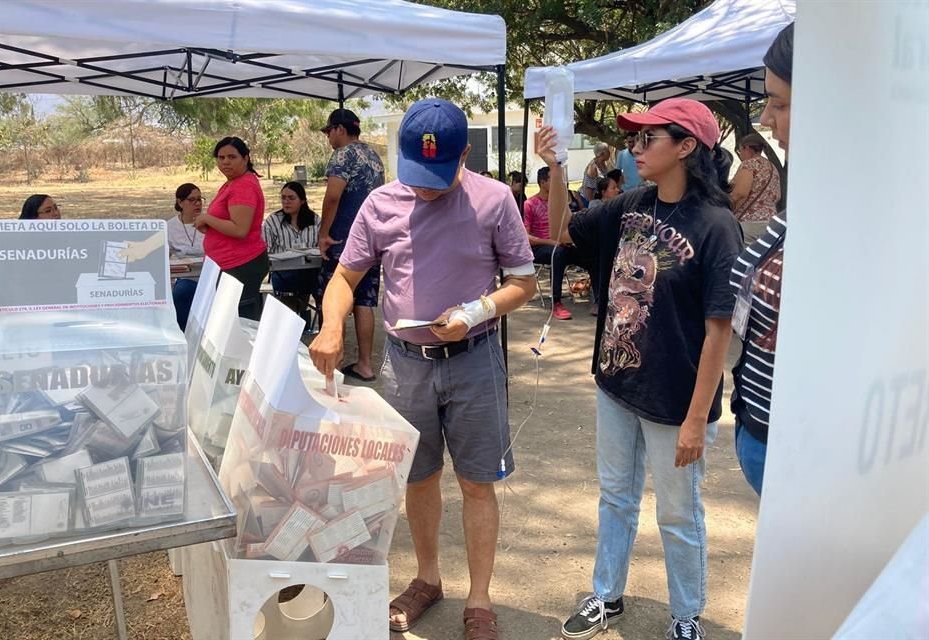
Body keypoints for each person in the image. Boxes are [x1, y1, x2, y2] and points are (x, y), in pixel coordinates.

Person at [309, 98, 535, 640]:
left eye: (437, 177)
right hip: (407, 366)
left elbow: (523, 283)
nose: (425, 189)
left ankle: (479, 599)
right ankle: (427, 578)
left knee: (478, 483)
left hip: (474, 361)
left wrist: (476, 311)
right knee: (418, 476)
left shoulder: (495, 200)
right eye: (416, 175)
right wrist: (331, 325)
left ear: (463, 156)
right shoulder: (382, 203)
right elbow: (344, 278)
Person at [539, 98, 742, 640]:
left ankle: (685, 615)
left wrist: (699, 418)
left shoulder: (717, 226)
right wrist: (556, 168)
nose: (635, 147)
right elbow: (562, 230)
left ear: (686, 147)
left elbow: (718, 330)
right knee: (616, 498)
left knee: (678, 514)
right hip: (615, 383)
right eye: (634, 138)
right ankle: (606, 595)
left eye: (648, 137)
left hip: (675, 399)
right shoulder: (630, 205)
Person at [730, 23, 794, 496]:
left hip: (794, 443)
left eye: (780, 103)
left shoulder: (751, 167)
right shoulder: (793, 182)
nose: (768, 119)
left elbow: (738, 199)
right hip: (759, 418)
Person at [317, 108, 385, 382]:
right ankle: (365, 364)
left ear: (340, 130)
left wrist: (323, 233)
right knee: (365, 300)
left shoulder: (343, 155)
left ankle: (334, 361)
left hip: (343, 239)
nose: (328, 138)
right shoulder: (373, 156)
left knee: (335, 295)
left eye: (329, 131)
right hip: (373, 238)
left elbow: (333, 197)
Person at [195, 136, 269, 321]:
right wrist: (212, 227)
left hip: (240, 265)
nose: (225, 162)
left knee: (238, 325)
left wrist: (207, 219)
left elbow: (240, 229)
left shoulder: (243, 185)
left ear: (245, 158)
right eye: (221, 157)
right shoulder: (233, 183)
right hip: (228, 263)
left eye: (232, 157)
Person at [524, 166, 592, 321]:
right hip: (540, 248)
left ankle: (599, 297)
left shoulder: (560, 203)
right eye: (554, 180)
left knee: (590, 253)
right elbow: (526, 237)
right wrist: (552, 242)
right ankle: (556, 302)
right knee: (558, 253)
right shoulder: (530, 204)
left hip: (561, 245)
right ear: (542, 182)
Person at [263, 181, 321, 315]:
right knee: (288, 300)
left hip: (310, 273)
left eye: (291, 198)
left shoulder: (315, 220)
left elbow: (320, 248)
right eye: (283, 198)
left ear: (302, 200)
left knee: (324, 293)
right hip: (283, 274)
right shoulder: (272, 221)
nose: (286, 202)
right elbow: (267, 252)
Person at [730, 133, 782, 245]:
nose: (741, 155)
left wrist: (729, 212)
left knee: (742, 259)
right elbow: (777, 196)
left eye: (740, 150)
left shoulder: (749, 165)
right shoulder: (773, 168)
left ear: (747, 148)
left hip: (749, 223)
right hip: (770, 223)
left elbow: (740, 193)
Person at [167, 183, 206, 330]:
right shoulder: (170, 227)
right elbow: (163, 259)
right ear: (180, 202)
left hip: (209, 276)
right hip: (186, 277)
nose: (197, 204)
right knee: (182, 292)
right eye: (192, 200)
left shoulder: (209, 221)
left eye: (200, 199)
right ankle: (182, 334)